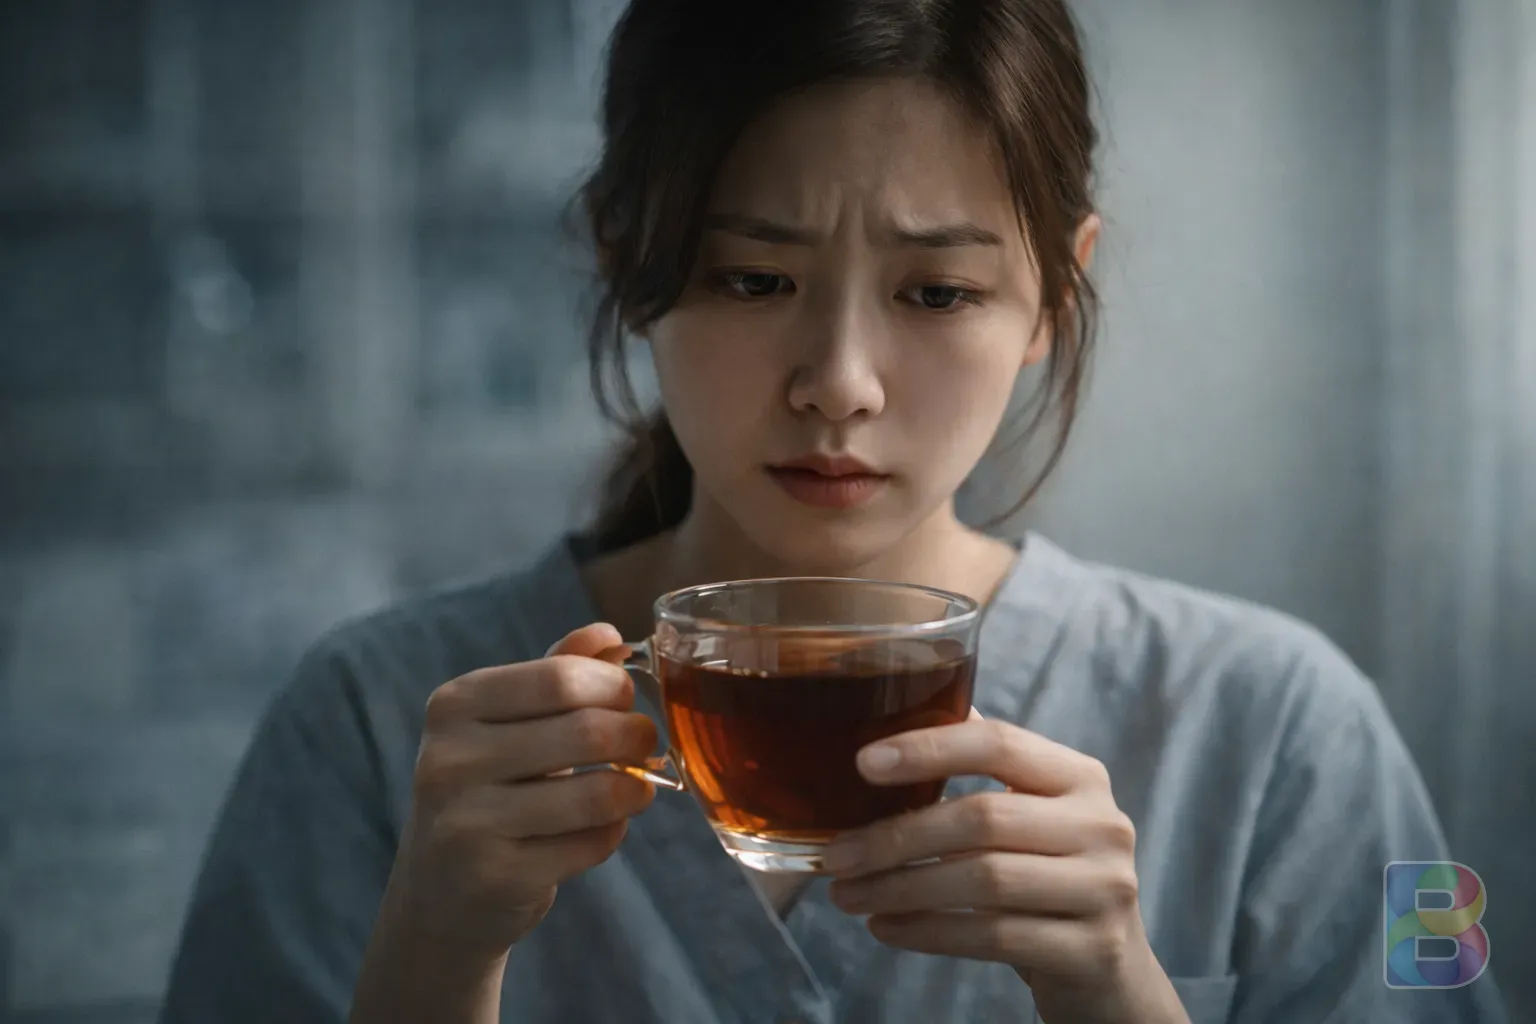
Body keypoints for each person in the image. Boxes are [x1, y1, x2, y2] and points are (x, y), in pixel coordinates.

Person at [160, 1, 1509, 1022]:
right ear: (630, 254)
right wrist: (432, 962)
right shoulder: (371, 727)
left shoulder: (1288, 727)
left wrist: (1123, 994)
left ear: (1053, 292)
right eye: (755, 281)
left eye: (937, 294)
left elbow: (1448, 972)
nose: (840, 386)